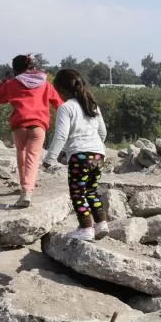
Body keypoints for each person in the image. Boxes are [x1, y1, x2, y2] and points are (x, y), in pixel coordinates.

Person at [43, 69, 109, 241]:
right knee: (91, 190)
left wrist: (50, 158)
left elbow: (61, 136)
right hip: (98, 156)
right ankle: (101, 224)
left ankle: (86, 228)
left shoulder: (65, 108)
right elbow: (103, 132)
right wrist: (96, 148)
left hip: (80, 156)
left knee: (78, 193)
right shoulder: (93, 105)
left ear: (61, 90)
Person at [0, 54, 62, 208]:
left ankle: (25, 187)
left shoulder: (11, 83)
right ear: (33, 67)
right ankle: (27, 190)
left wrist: (4, 81)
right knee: (33, 157)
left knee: (21, 154)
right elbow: (59, 104)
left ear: (15, 70)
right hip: (38, 126)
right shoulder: (45, 84)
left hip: (19, 125)